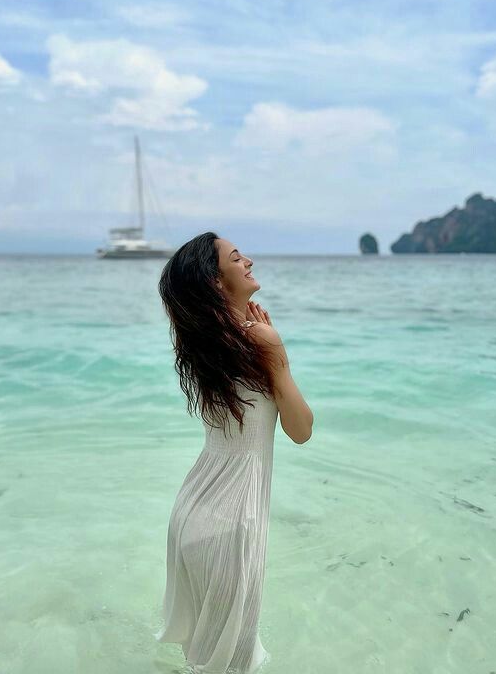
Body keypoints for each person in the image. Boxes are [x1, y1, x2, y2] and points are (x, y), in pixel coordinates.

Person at [153, 231, 314, 673]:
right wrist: (277, 356)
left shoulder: (205, 348)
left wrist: (264, 342)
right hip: (231, 521)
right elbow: (301, 431)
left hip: (196, 512)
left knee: (210, 659)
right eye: (238, 258)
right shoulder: (255, 345)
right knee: (229, 664)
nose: (249, 261)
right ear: (215, 282)